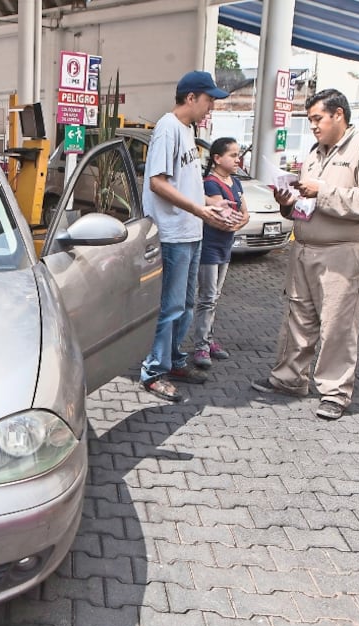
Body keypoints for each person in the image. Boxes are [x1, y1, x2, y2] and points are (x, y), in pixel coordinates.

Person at [252, 89, 359, 420]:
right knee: (298, 317)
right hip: (304, 247)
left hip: (340, 253)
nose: (313, 126)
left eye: (317, 119)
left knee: (337, 325)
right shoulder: (314, 153)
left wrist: (322, 191)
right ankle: (289, 379)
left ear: (338, 114)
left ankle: (335, 392)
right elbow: (307, 204)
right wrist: (289, 204)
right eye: (310, 120)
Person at [139, 71, 231, 402]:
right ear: (191, 98)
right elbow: (158, 183)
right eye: (208, 101)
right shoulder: (168, 129)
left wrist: (211, 202)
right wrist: (197, 208)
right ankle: (154, 372)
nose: (210, 108)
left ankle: (175, 361)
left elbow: (180, 182)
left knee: (187, 305)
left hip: (191, 232)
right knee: (171, 306)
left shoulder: (186, 131)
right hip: (174, 233)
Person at [192, 137, 249, 369]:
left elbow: (244, 213)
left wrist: (236, 222)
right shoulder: (210, 184)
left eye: (238, 155)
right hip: (209, 248)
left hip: (225, 247)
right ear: (217, 158)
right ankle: (201, 347)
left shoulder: (235, 182)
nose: (238, 159)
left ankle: (209, 339)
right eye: (233, 155)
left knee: (214, 298)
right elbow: (219, 217)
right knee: (207, 298)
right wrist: (233, 220)